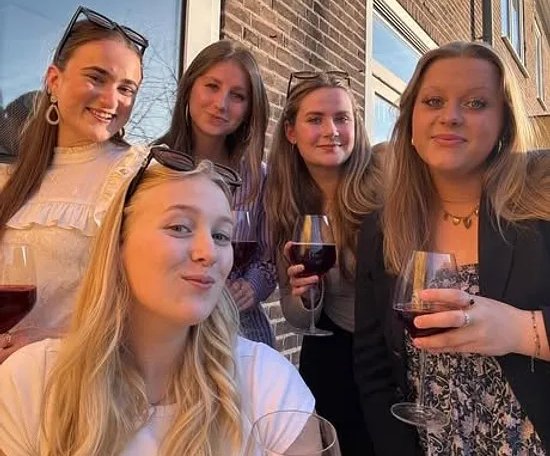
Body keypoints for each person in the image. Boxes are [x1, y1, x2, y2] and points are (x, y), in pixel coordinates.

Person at [0, 148, 315, 456]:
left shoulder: (267, 385)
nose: (208, 253)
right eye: (179, 227)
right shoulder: (31, 382)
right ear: (119, 243)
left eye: (221, 235)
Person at [354, 41, 550, 455]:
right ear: (410, 121)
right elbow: (374, 368)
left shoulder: (542, 203)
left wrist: (524, 330)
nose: (451, 116)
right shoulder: (382, 229)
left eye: (476, 103)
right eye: (433, 101)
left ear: (505, 124)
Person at [0, 6, 149, 363]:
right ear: (54, 80)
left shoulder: (139, 175)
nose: (111, 100)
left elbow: (157, 311)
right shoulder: (13, 176)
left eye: (126, 89)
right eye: (96, 78)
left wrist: (60, 343)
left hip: (76, 380)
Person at [265, 71, 385, 456]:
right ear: (291, 132)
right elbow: (297, 318)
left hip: (393, 350)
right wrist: (307, 297)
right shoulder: (285, 203)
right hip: (332, 352)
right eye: (315, 119)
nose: (331, 131)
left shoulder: (386, 177)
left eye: (341, 118)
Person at [157, 40, 277, 346]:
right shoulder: (154, 165)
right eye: (212, 86)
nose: (221, 103)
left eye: (238, 96)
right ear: (190, 87)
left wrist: (252, 287)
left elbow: (267, 259)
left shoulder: (259, 177)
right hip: (163, 330)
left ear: (249, 109)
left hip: (237, 330)